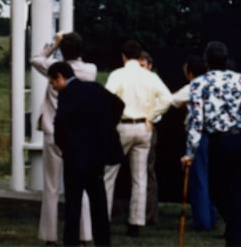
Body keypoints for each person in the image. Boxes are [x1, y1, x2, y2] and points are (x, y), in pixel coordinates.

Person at [181, 41, 241, 247]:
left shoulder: (199, 84)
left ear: (206, 61)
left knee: (217, 193)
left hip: (218, 142)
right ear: (226, 60)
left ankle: (238, 239)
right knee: (238, 194)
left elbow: (196, 121)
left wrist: (190, 151)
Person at [30, 31, 99, 246]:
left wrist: (53, 44)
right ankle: (84, 234)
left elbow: (35, 59)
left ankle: (50, 236)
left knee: (51, 186)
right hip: (79, 135)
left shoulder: (53, 69)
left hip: (53, 132)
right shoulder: (90, 70)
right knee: (82, 185)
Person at [49, 62, 124, 247]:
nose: (54, 87)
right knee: (99, 202)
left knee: (73, 204)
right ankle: (103, 242)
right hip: (97, 153)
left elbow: (60, 122)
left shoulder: (67, 94)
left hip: (75, 156)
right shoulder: (95, 87)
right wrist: (106, 126)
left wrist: (63, 144)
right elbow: (118, 104)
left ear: (60, 77)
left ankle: (71, 242)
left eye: (53, 82)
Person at [103, 40, 174, 237]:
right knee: (140, 177)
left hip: (122, 126)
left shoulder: (118, 75)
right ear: (139, 56)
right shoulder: (150, 76)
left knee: (109, 174)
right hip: (144, 127)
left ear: (123, 56)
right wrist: (151, 116)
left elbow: (107, 98)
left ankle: (103, 219)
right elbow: (168, 98)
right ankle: (135, 223)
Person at [171, 55, 219, 232]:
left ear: (190, 73)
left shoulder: (193, 86)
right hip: (216, 134)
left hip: (198, 135)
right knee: (209, 178)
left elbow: (173, 100)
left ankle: (202, 220)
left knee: (197, 177)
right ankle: (211, 216)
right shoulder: (214, 85)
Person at [138, 51, 160, 226]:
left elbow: (163, 103)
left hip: (147, 126)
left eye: (143, 66)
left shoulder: (154, 81)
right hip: (130, 125)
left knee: (147, 170)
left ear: (150, 66)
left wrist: (151, 119)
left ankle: (149, 214)